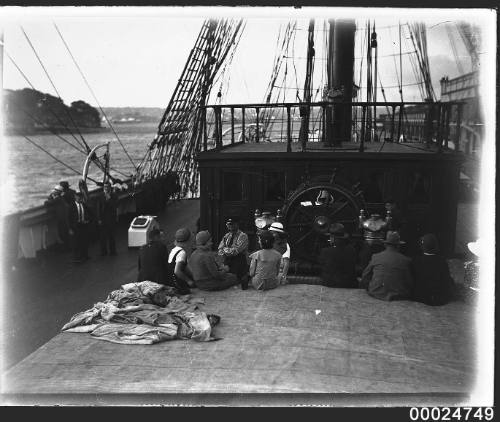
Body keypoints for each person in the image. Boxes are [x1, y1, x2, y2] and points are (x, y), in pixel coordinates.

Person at [360, 231, 413, 301]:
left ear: (385, 245)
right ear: (398, 245)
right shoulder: (406, 260)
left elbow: (365, 276)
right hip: (398, 295)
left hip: (376, 293)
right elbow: (409, 282)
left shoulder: (376, 257)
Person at [412, 233, 455, 306]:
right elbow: (446, 280)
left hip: (420, 297)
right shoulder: (442, 262)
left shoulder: (416, 261)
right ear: (436, 246)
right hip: (438, 298)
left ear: (422, 247)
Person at [318, 223, 357, 288]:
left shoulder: (326, 251)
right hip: (349, 283)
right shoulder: (352, 250)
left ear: (332, 238)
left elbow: (321, 263)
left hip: (331, 284)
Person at [218, 217, 249, 289]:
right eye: (228, 224)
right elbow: (220, 250)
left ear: (237, 225)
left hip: (238, 261)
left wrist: (225, 250)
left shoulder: (243, 236)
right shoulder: (227, 236)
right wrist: (227, 250)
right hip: (228, 259)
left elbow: (236, 251)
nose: (229, 226)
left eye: (232, 224)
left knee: (235, 277)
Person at [168, 227, 195, 294]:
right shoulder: (182, 253)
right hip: (177, 283)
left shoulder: (174, 249)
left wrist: (193, 276)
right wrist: (189, 281)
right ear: (188, 240)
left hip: (171, 280)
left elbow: (185, 267)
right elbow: (177, 271)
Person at [68, 191, 93, 263]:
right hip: (75, 226)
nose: (79, 199)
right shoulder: (71, 206)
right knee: (76, 242)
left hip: (84, 225)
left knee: (85, 241)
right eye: (78, 198)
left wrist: (88, 220)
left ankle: (85, 255)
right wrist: (70, 228)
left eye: (80, 198)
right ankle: (76, 257)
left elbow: (90, 213)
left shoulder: (84, 205)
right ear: (75, 198)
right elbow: (68, 218)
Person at [45, 184, 70, 248]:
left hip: (61, 218)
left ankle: (64, 247)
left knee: (62, 232)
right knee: (64, 231)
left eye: (55, 190)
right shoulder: (61, 197)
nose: (53, 191)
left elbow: (47, 202)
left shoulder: (58, 199)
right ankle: (66, 245)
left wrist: (51, 196)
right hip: (64, 216)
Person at [97, 182, 118, 256]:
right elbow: (98, 208)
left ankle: (113, 251)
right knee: (103, 236)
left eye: (107, 187)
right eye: (105, 187)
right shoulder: (100, 196)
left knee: (111, 236)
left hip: (111, 218)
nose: (106, 188)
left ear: (110, 187)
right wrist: (99, 219)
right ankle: (103, 252)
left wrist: (109, 199)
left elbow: (115, 206)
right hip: (103, 218)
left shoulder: (114, 195)